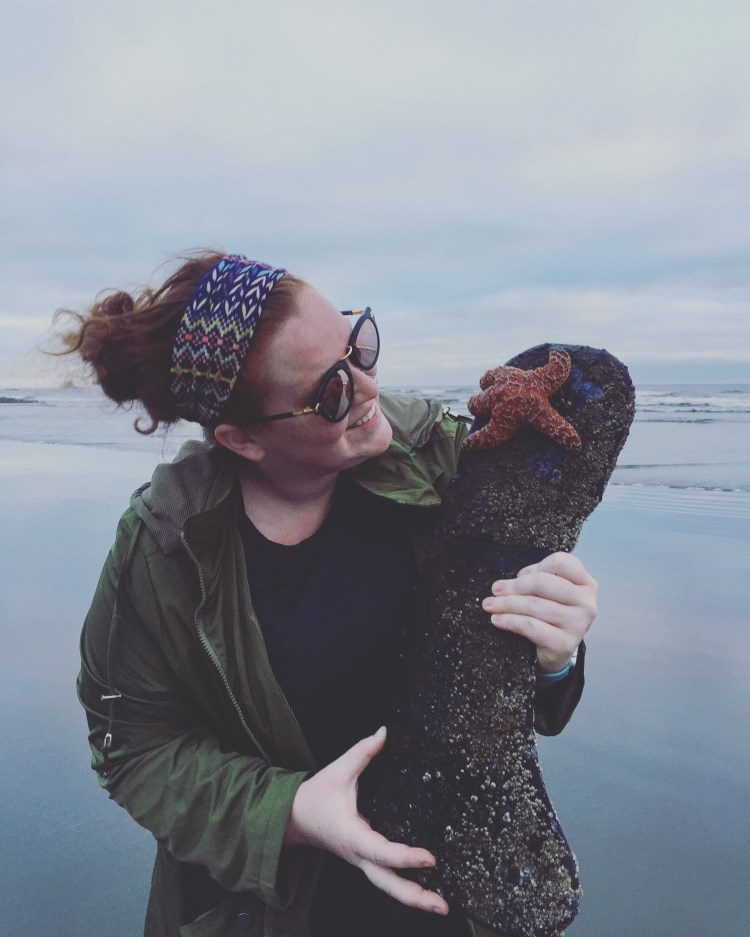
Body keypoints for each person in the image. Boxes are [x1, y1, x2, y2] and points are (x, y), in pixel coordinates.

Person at [63, 252, 597, 937]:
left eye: (359, 344)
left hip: (455, 896)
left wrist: (554, 655)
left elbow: (509, 693)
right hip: (267, 911)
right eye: (332, 392)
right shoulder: (165, 547)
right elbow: (131, 747)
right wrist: (291, 812)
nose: (370, 387)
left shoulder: (442, 461)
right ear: (242, 438)